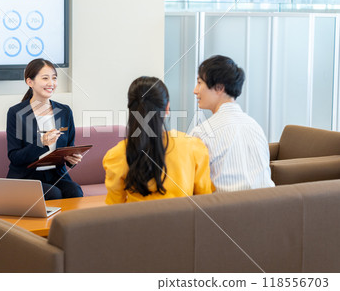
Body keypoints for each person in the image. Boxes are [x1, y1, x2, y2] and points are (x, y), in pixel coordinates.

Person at [103, 76, 212, 204]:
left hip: (137, 223)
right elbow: (205, 201)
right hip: (183, 223)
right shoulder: (193, 147)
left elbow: (115, 211)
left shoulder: (116, 155)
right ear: (167, 108)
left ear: (131, 110)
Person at [189, 55, 275, 192]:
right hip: (272, 205)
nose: (195, 90)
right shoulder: (255, 126)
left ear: (219, 88)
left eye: (199, 83)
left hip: (224, 210)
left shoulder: (202, 133)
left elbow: (192, 184)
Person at [6, 58, 83, 200]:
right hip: (27, 177)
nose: (51, 83)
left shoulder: (64, 111)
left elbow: (68, 147)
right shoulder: (16, 113)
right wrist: (41, 142)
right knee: (53, 194)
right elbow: (15, 157)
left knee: (75, 192)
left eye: (54, 78)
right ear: (30, 82)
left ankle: (69, 223)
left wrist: (71, 160)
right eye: (45, 78)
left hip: (56, 175)